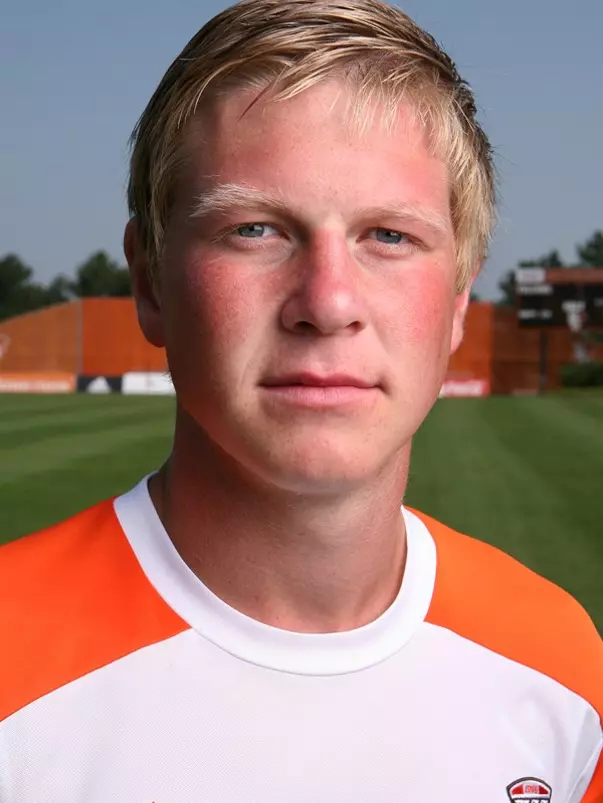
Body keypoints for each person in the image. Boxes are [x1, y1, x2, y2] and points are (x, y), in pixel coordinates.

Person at [1, 0, 602, 800]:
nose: (327, 301)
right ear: (149, 279)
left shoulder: (560, 666)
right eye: (255, 229)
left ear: (459, 294)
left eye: (388, 235)